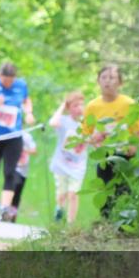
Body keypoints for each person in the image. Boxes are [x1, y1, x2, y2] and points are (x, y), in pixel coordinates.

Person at [82, 65, 139, 218]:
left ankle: (128, 220)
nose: (107, 82)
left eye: (112, 78)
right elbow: (86, 133)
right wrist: (95, 141)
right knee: (105, 189)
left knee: (124, 189)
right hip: (104, 156)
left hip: (125, 154)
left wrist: (133, 146)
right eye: (103, 78)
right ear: (98, 81)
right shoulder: (92, 106)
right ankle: (105, 223)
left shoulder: (129, 104)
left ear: (120, 83)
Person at [0, 62, 35, 222]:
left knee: (10, 172)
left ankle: (5, 208)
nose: (8, 84)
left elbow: (26, 100)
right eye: (5, 81)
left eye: (11, 81)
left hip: (13, 136)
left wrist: (29, 113)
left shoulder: (21, 85)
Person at [50, 91, 88, 223]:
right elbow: (53, 123)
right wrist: (62, 106)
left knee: (73, 194)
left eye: (81, 105)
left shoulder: (87, 124)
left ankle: (71, 224)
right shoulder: (65, 121)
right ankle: (59, 211)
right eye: (75, 106)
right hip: (61, 163)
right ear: (68, 108)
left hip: (78, 165)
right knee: (62, 194)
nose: (79, 108)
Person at [7, 130, 37, 223]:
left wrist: (23, 149)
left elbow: (34, 151)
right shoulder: (10, 134)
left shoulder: (27, 136)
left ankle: (13, 216)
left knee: (17, 193)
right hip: (13, 167)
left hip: (23, 169)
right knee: (14, 186)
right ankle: (6, 211)